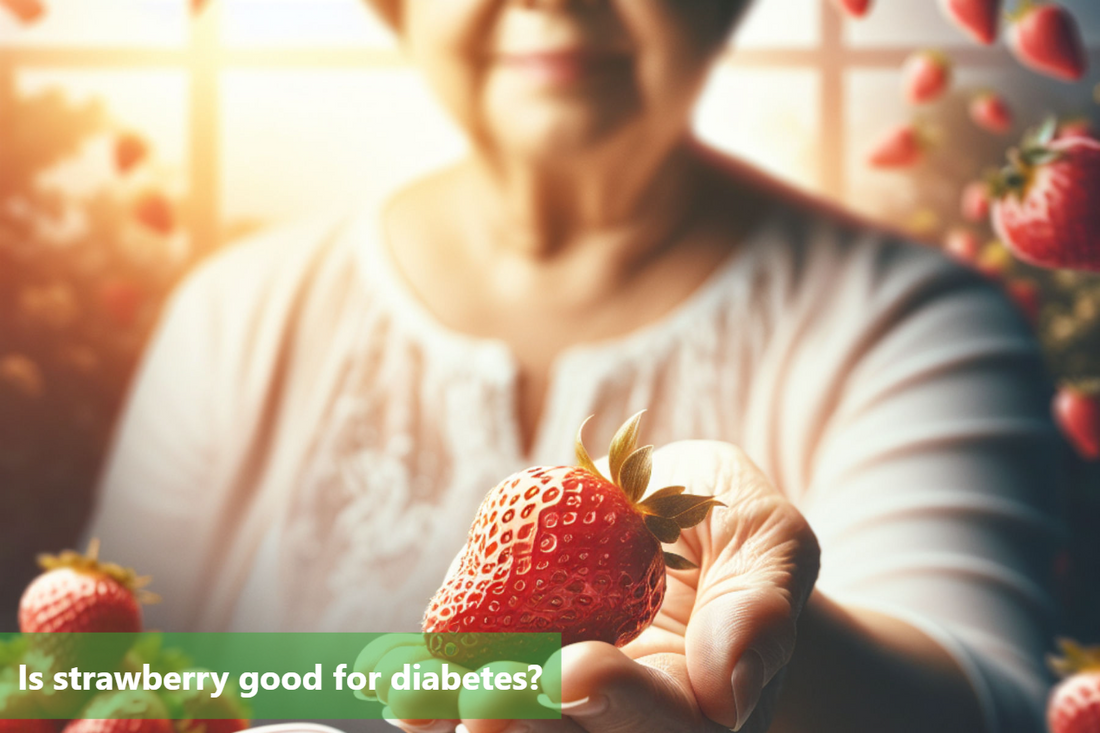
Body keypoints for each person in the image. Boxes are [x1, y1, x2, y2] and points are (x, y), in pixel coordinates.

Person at [84, 0, 1063, 731]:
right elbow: (73, 671)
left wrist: (768, 667)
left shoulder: (904, 317)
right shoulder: (234, 312)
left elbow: (997, 706)